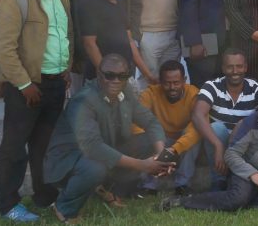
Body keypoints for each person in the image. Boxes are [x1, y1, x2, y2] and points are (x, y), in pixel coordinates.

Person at [0, 0, 72, 222]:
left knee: (46, 147)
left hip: (54, 85)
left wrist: (67, 67)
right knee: (14, 148)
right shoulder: (16, 0)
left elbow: (65, 36)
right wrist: (25, 84)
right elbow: (3, 48)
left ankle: (44, 196)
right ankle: (7, 204)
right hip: (25, 88)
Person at [44, 55, 172, 223]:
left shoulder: (124, 94)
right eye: (110, 75)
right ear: (99, 74)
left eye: (122, 76)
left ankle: (105, 188)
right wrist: (143, 165)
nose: (116, 80)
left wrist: (161, 154)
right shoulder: (84, 100)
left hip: (102, 150)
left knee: (152, 141)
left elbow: (150, 122)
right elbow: (93, 147)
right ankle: (64, 206)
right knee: (96, 167)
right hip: (68, 159)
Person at [166, 75, 258, 212]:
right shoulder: (254, 121)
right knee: (236, 198)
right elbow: (231, 153)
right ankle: (185, 201)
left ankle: (245, 201)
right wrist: (253, 175)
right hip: (248, 173)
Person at [192, 49, 258, 190]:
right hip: (220, 142)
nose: (235, 71)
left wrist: (243, 124)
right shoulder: (212, 86)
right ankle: (218, 181)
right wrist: (218, 146)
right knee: (216, 128)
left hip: (245, 143)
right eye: (230, 66)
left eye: (239, 66)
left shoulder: (256, 88)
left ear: (245, 67)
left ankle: (241, 179)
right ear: (223, 68)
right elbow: (197, 115)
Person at [77, 0, 156, 89]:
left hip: (124, 77)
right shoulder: (89, 3)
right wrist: (107, 77)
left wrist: (148, 75)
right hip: (101, 82)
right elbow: (90, 44)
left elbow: (129, 41)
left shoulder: (120, 4)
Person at [134, 60, 201, 196]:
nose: (172, 87)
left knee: (195, 135)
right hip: (160, 140)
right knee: (145, 136)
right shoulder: (150, 94)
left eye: (176, 83)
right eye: (167, 83)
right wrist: (156, 146)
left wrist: (174, 149)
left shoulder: (193, 93)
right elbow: (136, 123)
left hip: (181, 142)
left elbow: (196, 126)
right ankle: (149, 185)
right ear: (160, 81)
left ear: (184, 80)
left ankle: (182, 184)